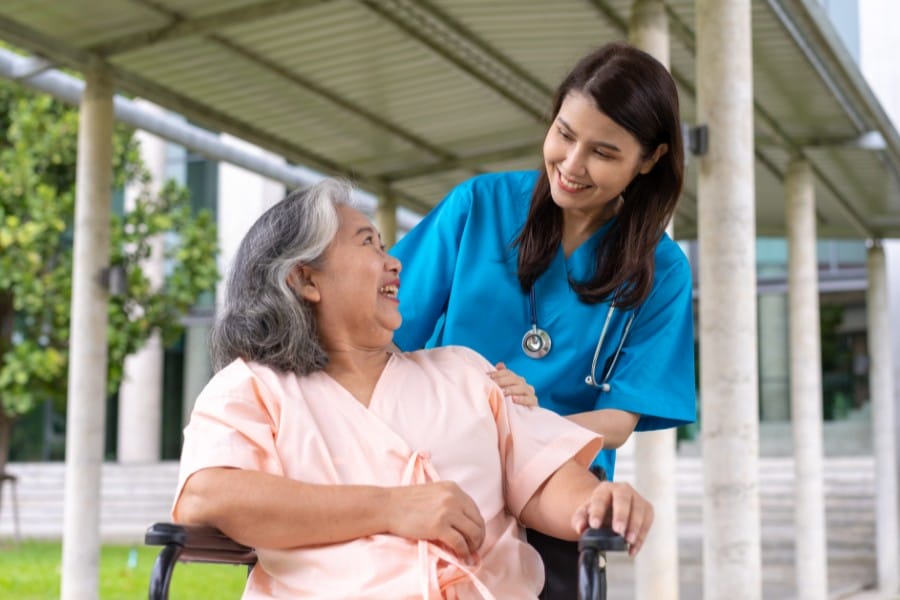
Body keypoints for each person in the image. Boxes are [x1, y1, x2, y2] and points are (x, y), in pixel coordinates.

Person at [172, 179, 653, 599]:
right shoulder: (252, 386)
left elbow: (547, 480)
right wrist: (393, 507)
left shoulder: (466, 372)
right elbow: (208, 496)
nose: (395, 263)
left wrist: (599, 502)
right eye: (370, 245)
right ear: (305, 279)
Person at [389, 41, 696, 597]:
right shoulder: (477, 206)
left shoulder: (663, 271)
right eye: (564, 134)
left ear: (648, 160)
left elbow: (618, 420)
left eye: (603, 153)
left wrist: (513, 426)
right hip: (438, 466)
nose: (572, 166)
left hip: (559, 485)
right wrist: (473, 418)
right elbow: (383, 334)